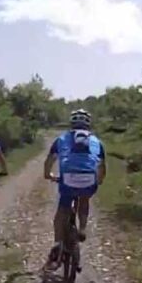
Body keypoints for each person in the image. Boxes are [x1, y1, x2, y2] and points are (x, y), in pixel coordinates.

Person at [43, 109, 105, 270]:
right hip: (88, 180)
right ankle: (82, 228)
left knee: (62, 211)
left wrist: (48, 175)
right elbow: (102, 166)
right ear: (88, 125)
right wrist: (99, 180)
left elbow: (50, 160)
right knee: (84, 198)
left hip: (68, 179)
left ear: (71, 124)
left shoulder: (61, 139)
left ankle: (57, 245)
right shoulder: (97, 141)